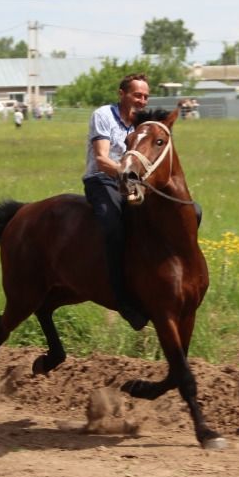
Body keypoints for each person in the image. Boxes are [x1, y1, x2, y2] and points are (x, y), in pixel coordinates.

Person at [83, 73, 152, 330]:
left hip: (131, 182)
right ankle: (121, 300)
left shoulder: (142, 123)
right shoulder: (103, 115)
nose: (142, 100)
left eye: (145, 96)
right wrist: (129, 177)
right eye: (137, 95)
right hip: (102, 181)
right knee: (112, 228)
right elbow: (101, 159)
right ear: (121, 94)